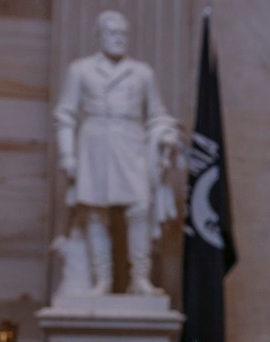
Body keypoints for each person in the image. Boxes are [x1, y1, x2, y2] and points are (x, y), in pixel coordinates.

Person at [54, 10, 179, 296]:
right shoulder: (80, 70)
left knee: (138, 210)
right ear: (98, 35)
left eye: (123, 34)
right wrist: (67, 156)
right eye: (112, 33)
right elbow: (65, 115)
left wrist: (166, 134)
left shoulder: (142, 72)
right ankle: (103, 280)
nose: (118, 39)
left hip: (130, 145)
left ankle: (140, 278)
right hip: (94, 146)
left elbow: (157, 114)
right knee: (95, 214)